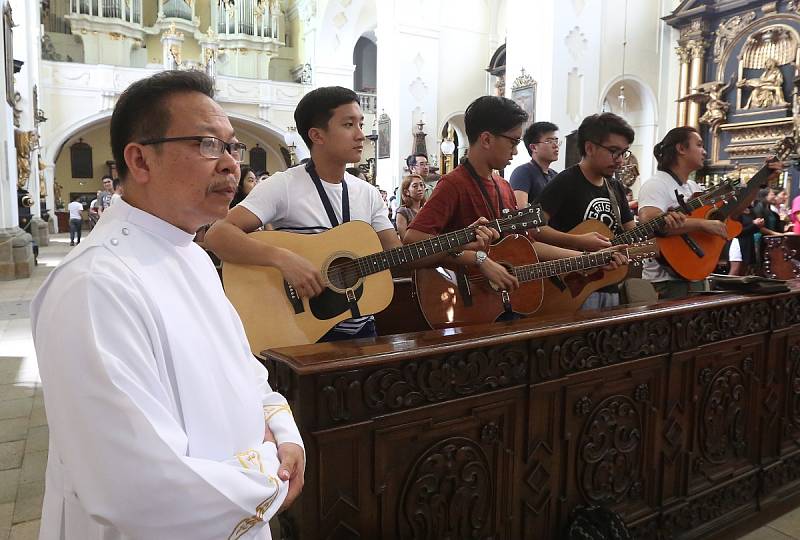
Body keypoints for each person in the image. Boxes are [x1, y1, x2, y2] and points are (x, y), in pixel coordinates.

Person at [31, 70, 304, 540]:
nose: (230, 165)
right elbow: (135, 486)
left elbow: (242, 368)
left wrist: (283, 429)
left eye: (232, 147)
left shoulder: (192, 255)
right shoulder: (96, 283)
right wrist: (267, 475)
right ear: (139, 160)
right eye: (206, 145)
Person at [207, 87, 402, 340]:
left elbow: (396, 253)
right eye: (348, 124)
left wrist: (453, 247)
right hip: (304, 333)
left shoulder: (368, 193)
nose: (361, 136)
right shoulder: (283, 186)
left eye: (361, 124)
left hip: (362, 329)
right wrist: (284, 259)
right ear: (317, 135)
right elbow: (218, 234)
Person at [404, 96, 623, 300]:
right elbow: (413, 242)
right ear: (487, 139)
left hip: (498, 302)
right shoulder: (454, 184)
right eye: (513, 142)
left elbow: (528, 245)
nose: (516, 151)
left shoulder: (504, 186)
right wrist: (477, 259)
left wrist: (586, 259)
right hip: (464, 298)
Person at [638, 126, 781, 298]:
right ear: (681, 148)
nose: (704, 151)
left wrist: (760, 181)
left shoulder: (693, 187)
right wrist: (702, 224)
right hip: (665, 282)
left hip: (696, 274)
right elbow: (649, 222)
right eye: (698, 145)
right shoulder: (657, 184)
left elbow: (732, 213)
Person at [534, 112, 639, 309]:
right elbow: (533, 229)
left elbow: (631, 233)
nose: (621, 160)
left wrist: (662, 225)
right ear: (589, 147)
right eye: (614, 151)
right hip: (569, 286)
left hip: (607, 283)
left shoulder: (615, 188)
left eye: (624, 152)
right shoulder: (566, 181)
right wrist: (579, 241)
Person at [510, 121, 559, 208]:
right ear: (533, 147)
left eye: (556, 140)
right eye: (549, 141)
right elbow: (522, 212)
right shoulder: (522, 172)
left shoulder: (555, 175)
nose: (556, 145)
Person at [395, 174, 426, 239]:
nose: (420, 189)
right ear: (407, 192)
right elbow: (404, 238)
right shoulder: (403, 211)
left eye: (421, 185)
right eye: (415, 186)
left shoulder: (426, 209)